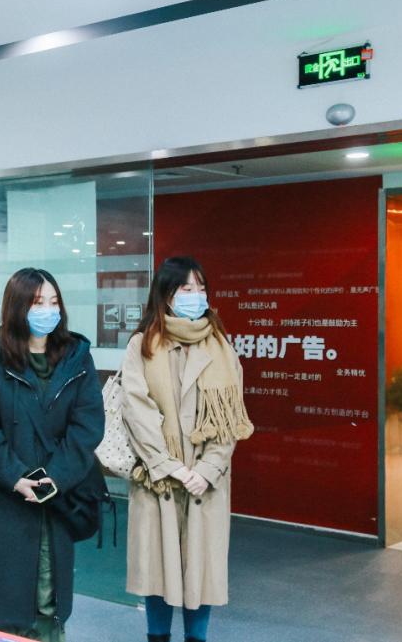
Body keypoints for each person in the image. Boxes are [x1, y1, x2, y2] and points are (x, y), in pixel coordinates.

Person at [0, 268, 105, 642]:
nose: (48, 310)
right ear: (17, 308)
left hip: (57, 496)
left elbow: (87, 428)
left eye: (54, 302)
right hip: (6, 499)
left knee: (49, 598)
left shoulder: (77, 360)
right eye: (37, 302)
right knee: (8, 603)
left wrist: (52, 479)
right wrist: (17, 477)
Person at [120, 256, 254, 642]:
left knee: (201, 573)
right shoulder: (143, 345)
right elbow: (136, 410)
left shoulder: (222, 348)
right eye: (186, 288)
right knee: (157, 573)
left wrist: (207, 470)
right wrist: (170, 466)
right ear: (166, 295)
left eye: (201, 288)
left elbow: (230, 418)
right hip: (158, 479)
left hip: (204, 483)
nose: (197, 296)